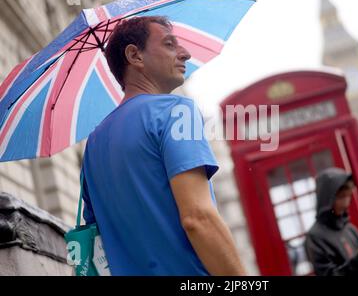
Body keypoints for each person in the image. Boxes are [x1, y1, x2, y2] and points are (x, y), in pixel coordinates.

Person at [80, 16, 246, 276]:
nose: (186, 54)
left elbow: (96, 240)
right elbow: (198, 219)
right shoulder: (177, 111)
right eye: (170, 44)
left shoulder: (93, 145)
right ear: (135, 56)